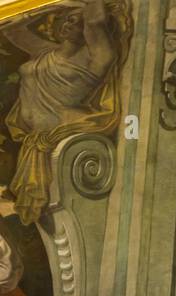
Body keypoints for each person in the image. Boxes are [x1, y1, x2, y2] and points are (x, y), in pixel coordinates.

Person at [3, 1, 128, 225]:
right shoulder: (43, 51)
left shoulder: (96, 57)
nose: (69, 23)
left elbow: (95, 20)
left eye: (76, 21)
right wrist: (49, 7)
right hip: (35, 143)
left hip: (61, 136)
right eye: (67, 18)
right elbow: (11, 29)